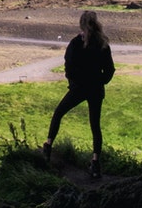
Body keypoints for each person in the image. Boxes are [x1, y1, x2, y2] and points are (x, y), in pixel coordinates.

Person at [41, 9, 116, 177]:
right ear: (97, 24)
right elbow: (110, 70)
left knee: (59, 113)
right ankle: (95, 163)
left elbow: (69, 67)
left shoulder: (75, 43)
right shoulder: (103, 44)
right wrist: (100, 82)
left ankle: (48, 146)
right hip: (96, 90)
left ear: (81, 24)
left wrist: (75, 84)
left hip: (79, 89)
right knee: (95, 126)